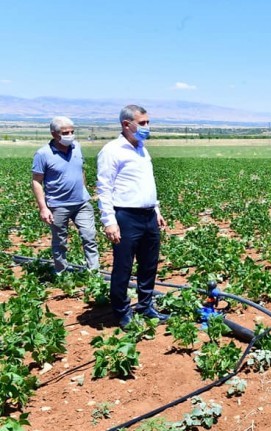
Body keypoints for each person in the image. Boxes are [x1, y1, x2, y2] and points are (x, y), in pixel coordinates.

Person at [96, 105, 168, 328]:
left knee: (149, 265)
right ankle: (121, 311)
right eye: (143, 123)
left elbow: (146, 184)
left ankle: (145, 306)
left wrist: (156, 210)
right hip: (126, 216)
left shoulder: (142, 149)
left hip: (148, 215)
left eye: (148, 122)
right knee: (123, 266)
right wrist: (109, 221)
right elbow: (104, 188)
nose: (147, 127)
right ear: (127, 124)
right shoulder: (111, 151)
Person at [31, 116, 100, 273]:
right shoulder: (43, 154)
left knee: (89, 237)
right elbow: (36, 181)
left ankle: (94, 274)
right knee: (60, 242)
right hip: (58, 205)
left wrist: (83, 189)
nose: (70, 135)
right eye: (65, 132)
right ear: (54, 134)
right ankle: (61, 272)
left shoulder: (77, 147)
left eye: (72, 131)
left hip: (82, 203)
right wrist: (43, 208)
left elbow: (80, 169)